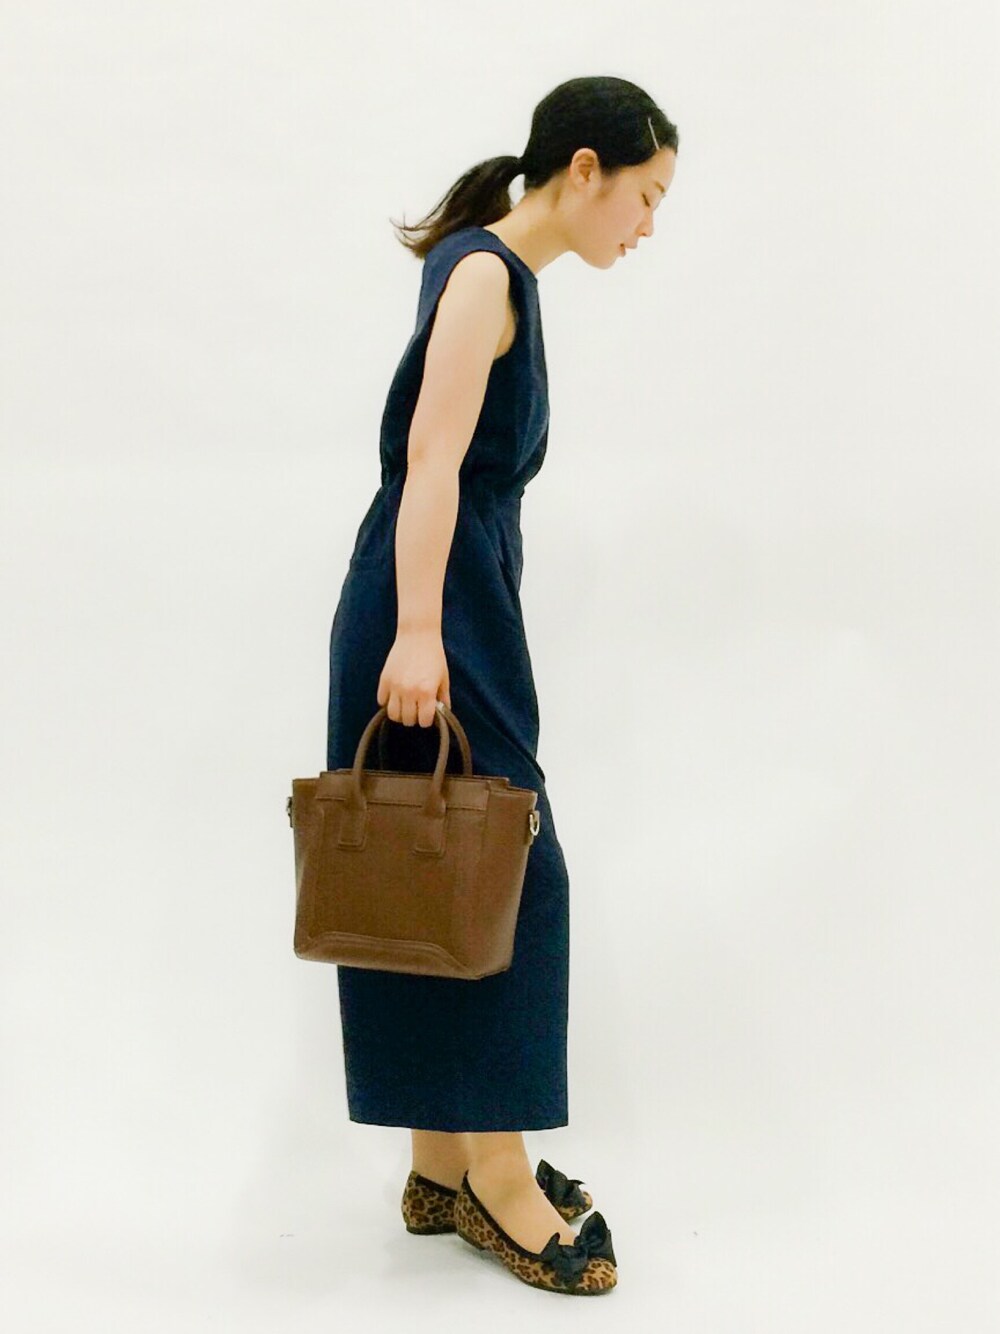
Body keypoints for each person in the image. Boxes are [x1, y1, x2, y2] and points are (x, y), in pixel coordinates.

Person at [325, 74, 678, 1294]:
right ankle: (499, 1173)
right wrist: (420, 628)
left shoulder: (492, 268)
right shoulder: (485, 275)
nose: (647, 223)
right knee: (507, 866)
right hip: (432, 597)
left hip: (451, 584)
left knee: (439, 857)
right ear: (583, 170)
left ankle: (439, 1158)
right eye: (645, 194)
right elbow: (430, 458)